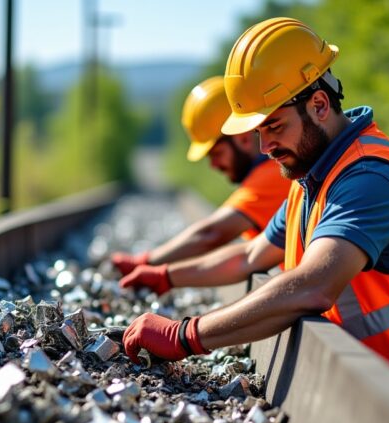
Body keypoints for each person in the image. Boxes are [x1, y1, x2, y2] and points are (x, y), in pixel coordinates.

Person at [121, 17, 389, 423]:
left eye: (275, 126)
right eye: (258, 132)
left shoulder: (370, 179)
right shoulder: (311, 182)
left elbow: (312, 286)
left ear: (319, 105)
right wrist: (166, 275)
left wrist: (184, 336)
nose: (265, 148)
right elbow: (250, 256)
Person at [110, 76, 291, 285]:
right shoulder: (270, 172)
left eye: (216, 153)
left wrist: (145, 262)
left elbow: (211, 233)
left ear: (241, 137)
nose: (214, 165)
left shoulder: (273, 175)